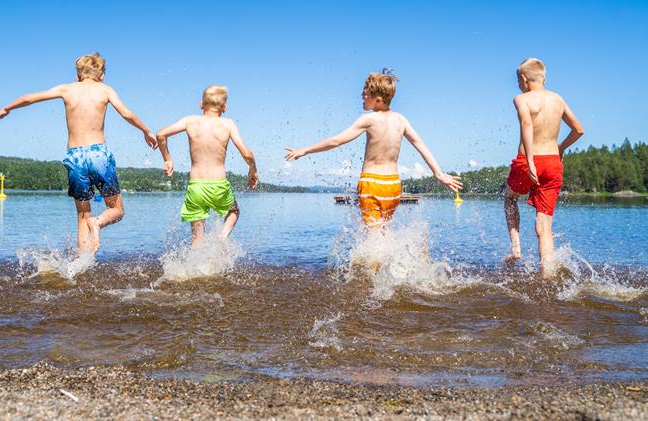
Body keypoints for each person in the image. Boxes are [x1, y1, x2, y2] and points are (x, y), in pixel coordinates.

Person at [0, 52, 157, 255]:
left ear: (78, 75)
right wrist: (146, 131)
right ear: (102, 75)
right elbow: (126, 113)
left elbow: (30, 98)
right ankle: (98, 223)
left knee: (82, 214)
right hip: (99, 154)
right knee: (116, 210)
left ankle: (82, 263)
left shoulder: (67, 89)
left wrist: (7, 108)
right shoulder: (105, 90)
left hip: (75, 156)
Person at [285, 70, 462, 228]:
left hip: (372, 184)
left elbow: (337, 140)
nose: (361, 94)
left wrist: (305, 150)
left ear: (378, 99)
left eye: (365, 91)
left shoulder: (368, 119)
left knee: (373, 236)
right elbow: (420, 144)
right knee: (382, 230)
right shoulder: (401, 120)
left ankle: (383, 263)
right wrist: (438, 174)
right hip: (393, 185)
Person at [504, 58, 584, 277]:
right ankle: (546, 274)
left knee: (510, 198)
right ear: (544, 77)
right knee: (545, 224)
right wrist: (560, 148)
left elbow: (526, 124)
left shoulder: (521, 98)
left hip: (528, 160)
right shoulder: (557, 99)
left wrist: (529, 160)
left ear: (523, 78)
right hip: (552, 162)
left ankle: (516, 249)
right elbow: (578, 130)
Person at [156, 85, 258, 247]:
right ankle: (222, 237)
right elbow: (246, 154)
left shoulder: (190, 121)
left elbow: (161, 134)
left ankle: (195, 270)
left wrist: (167, 159)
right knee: (234, 211)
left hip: (196, 186)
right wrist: (253, 171)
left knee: (197, 238)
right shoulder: (228, 124)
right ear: (224, 108)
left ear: (201, 104)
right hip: (219, 185)